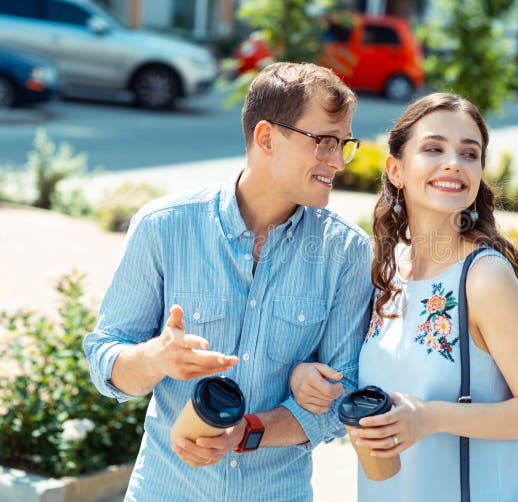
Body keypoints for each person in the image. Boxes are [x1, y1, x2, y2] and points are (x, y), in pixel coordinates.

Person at [84, 62, 374, 501]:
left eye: (343, 144)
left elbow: (342, 394)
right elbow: (105, 359)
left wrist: (246, 432)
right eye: (324, 142)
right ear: (266, 138)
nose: (337, 161)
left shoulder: (347, 252)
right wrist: (156, 358)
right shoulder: (163, 226)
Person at [290, 93, 518, 501]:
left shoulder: (484, 278)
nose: (454, 162)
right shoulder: (386, 269)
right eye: (434, 148)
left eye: (470, 154)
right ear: (395, 169)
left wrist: (430, 417)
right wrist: (306, 377)